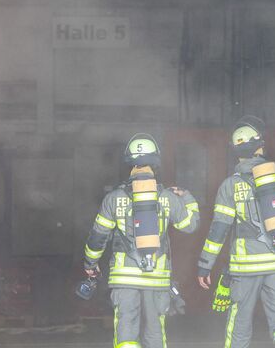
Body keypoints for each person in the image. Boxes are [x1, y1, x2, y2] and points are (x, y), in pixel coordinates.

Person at [197, 115, 275, 348]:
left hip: (246, 266)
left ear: (236, 152)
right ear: (261, 146)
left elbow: (219, 229)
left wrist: (205, 265)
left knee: (239, 323)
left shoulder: (229, 186)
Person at [83, 133, 200, 348]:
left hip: (124, 277)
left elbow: (98, 237)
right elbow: (190, 225)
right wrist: (187, 197)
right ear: (155, 162)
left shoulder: (114, 198)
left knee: (126, 332)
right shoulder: (167, 197)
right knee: (155, 332)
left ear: (129, 162)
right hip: (156, 277)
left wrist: (90, 264)